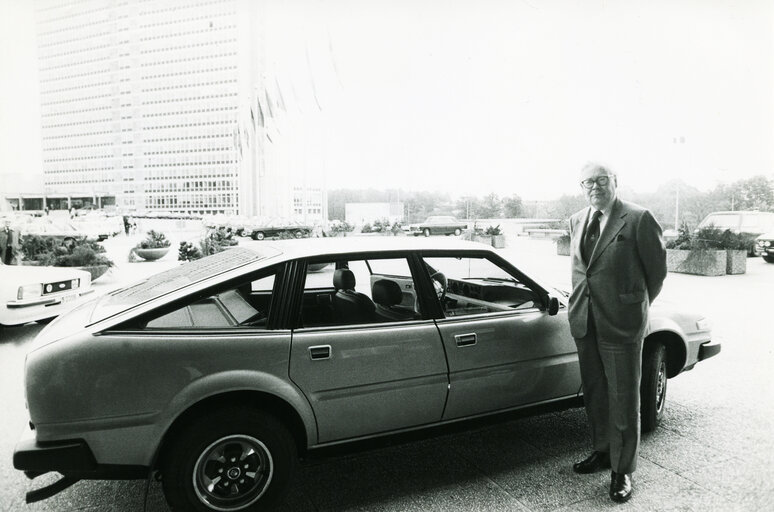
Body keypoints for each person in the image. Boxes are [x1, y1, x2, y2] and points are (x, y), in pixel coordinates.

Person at [568, 162, 667, 503]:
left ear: (615, 182)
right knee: (595, 393)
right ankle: (603, 452)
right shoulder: (576, 220)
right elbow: (585, 271)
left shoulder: (638, 218)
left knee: (624, 398)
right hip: (585, 321)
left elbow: (656, 273)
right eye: (587, 182)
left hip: (622, 323)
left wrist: (633, 306)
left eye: (600, 179)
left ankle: (622, 470)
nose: (594, 186)